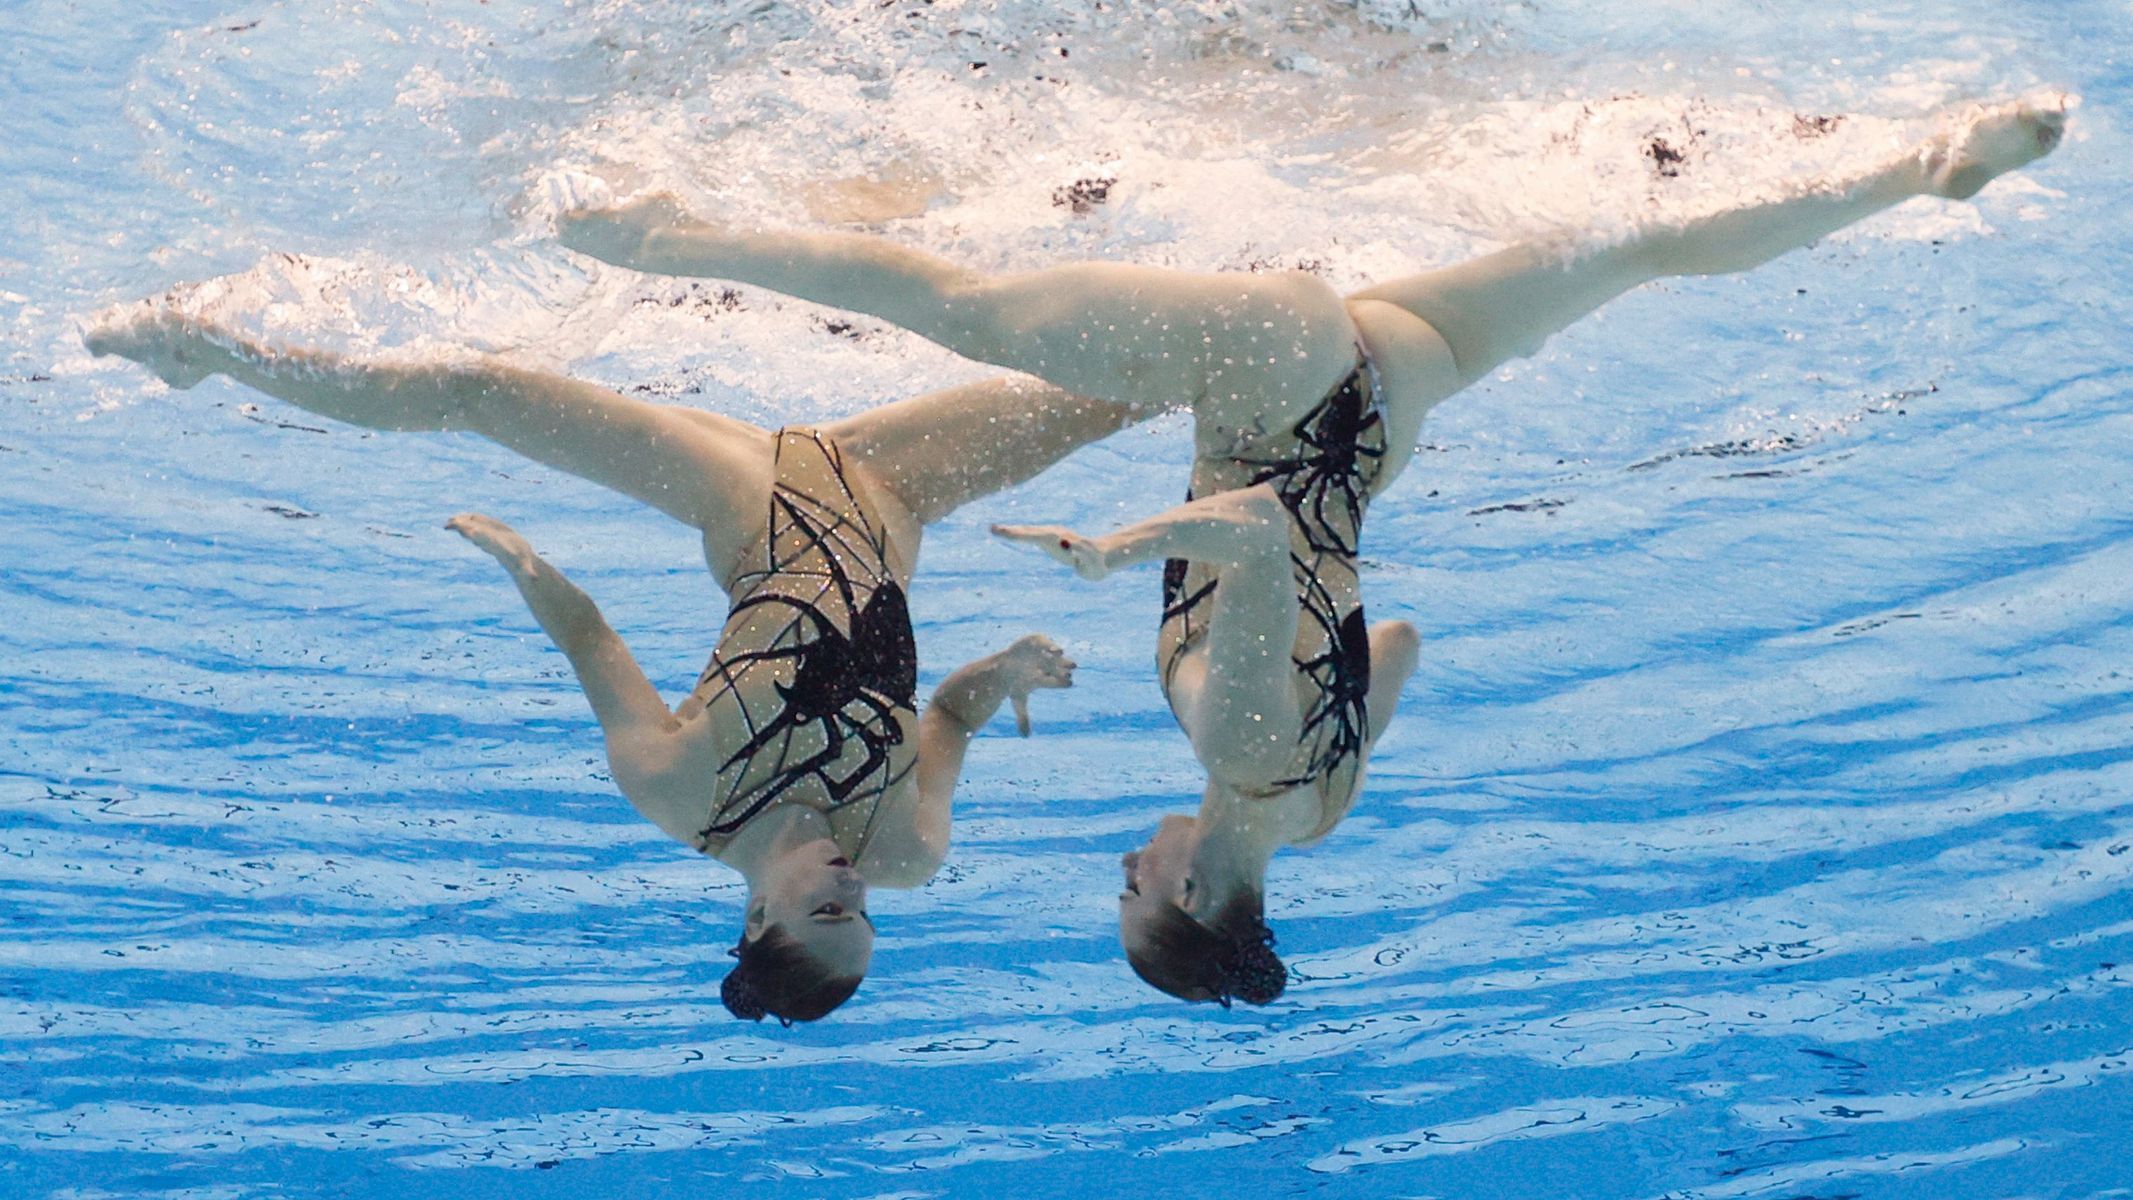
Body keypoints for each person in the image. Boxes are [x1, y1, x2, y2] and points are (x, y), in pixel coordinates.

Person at [554, 97, 2066, 1005]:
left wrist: (1314, 620)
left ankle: (1913, 172)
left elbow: (1392, 650)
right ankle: (671, 236)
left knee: (1642, 249)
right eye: (1135, 890)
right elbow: (1260, 539)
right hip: (1276, 405)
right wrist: (1124, 549)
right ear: (1192, 895)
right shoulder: (1235, 739)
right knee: (976, 306)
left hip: (1381, 413)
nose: (1124, 865)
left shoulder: (1321, 803)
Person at [86, 309, 1154, 1023]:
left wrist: (524, 563)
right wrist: (1009, 666)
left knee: (473, 387)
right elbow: (953, 721)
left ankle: (214, 355)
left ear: (757, 919)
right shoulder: (906, 848)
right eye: (862, 915)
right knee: (1136, 385)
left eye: (829, 912)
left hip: (754, 500)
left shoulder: (676, 789)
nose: (855, 891)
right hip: (892, 492)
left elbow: (592, 641)